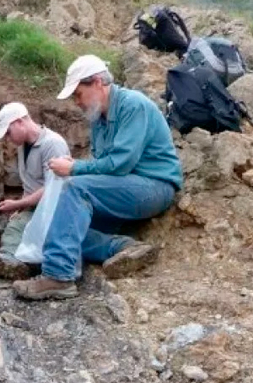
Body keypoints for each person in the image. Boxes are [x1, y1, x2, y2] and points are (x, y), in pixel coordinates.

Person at [13, 55, 183, 300]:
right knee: (62, 227)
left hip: (154, 186)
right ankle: (123, 248)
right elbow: (105, 166)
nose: (77, 103)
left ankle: (59, 277)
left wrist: (75, 169)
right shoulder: (99, 121)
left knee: (73, 187)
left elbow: (121, 164)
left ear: (97, 83)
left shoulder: (132, 105)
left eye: (78, 94)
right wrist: (79, 167)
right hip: (122, 190)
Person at [0, 102, 71, 280]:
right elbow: (31, 184)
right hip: (35, 207)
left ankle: (10, 263)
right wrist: (20, 208)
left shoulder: (52, 144)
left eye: (8, 132)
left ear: (19, 122)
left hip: (53, 209)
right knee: (15, 225)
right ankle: (15, 262)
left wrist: (19, 203)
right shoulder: (23, 147)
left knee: (15, 230)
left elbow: (53, 188)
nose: (8, 139)